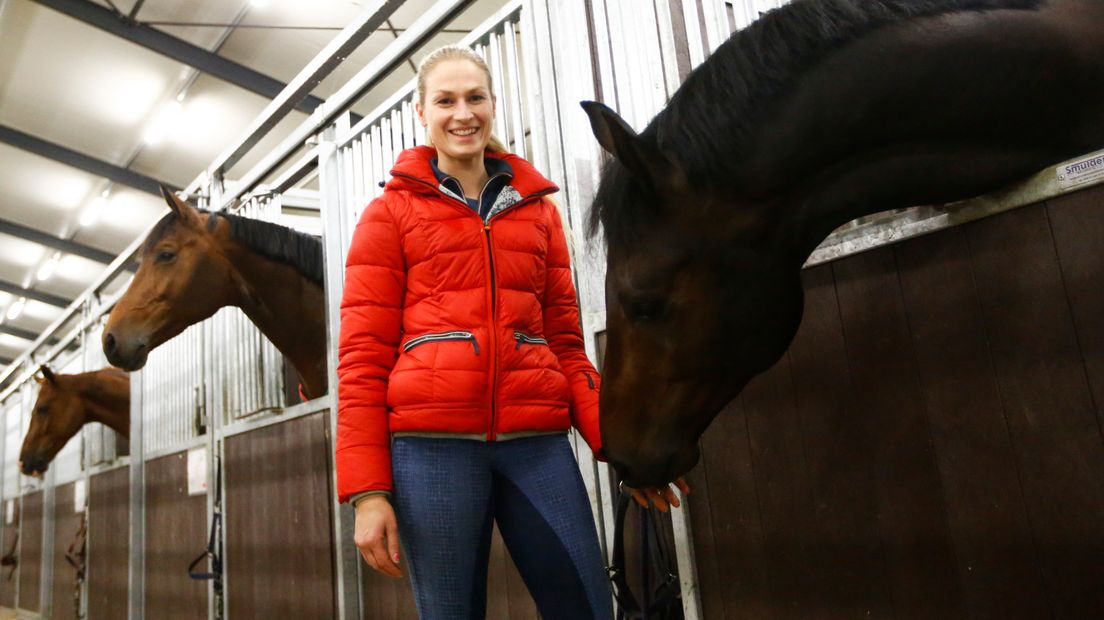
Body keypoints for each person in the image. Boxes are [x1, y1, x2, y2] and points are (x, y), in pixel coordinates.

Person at [336, 44, 686, 620]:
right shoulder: (389, 214)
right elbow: (362, 360)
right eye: (445, 100)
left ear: (493, 104)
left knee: (590, 607)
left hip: (536, 445)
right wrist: (368, 492)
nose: (462, 113)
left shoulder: (538, 212)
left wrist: (623, 451)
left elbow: (568, 350)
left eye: (474, 97)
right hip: (430, 450)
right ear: (422, 113)